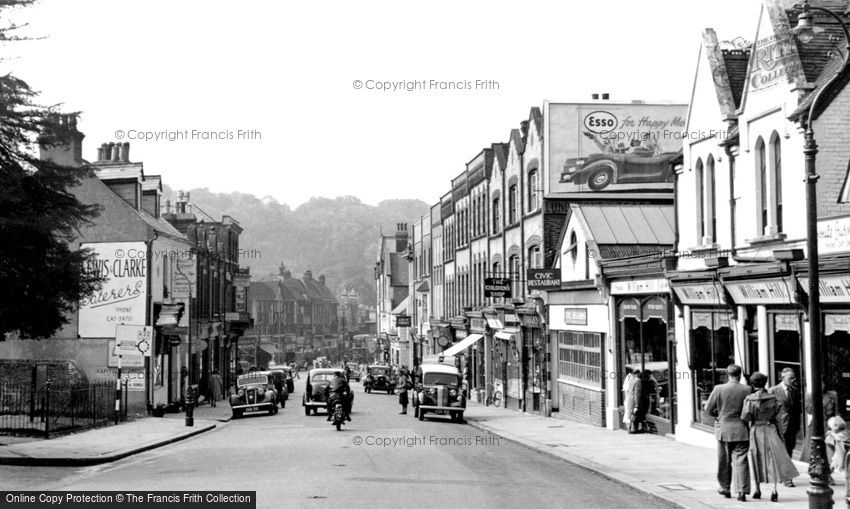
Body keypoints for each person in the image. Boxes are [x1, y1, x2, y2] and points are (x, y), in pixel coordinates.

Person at [741, 371, 798, 502]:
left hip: (756, 430)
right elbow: (778, 414)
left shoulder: (749, 399)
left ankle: (757, 489)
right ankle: (774, 490)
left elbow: (745, 416)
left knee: (756, 457)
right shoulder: (773, 398)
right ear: (765, 383)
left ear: (752, 383)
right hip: (770, 429)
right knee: (772, 458)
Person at [704, 364, 751, 501]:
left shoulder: (719, 389)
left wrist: (717, 414)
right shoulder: (747, 389)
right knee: (741, 461)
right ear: (740, 375)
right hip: (742, 430)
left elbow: (707, 410)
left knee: (724, 461)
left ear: (728, 374)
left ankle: (725, 488)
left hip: (724, 430)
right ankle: (742, 491)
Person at [768, 367, 801, 486]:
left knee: (789, 450)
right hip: (779, 426)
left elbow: (797, 410)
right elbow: (768, 409)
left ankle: (784, 475)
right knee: (782, 452)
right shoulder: (773, 391)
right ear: (782, 378)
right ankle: (786, 478)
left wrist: (797, 426)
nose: (793, 380)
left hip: (792, 426)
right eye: (790, 378)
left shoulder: (795, 391)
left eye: (794, 377)